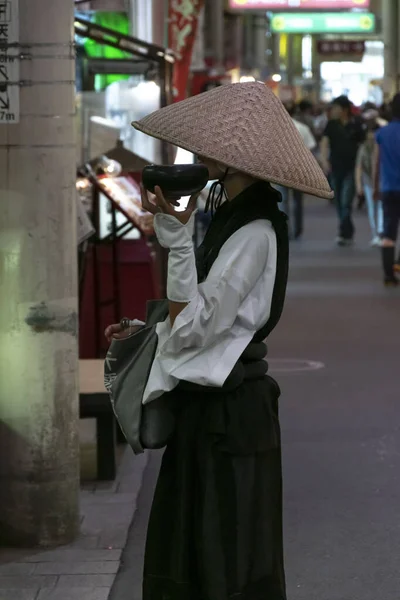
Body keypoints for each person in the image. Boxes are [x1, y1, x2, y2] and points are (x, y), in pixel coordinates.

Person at [105, 82, 332, 600]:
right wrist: (148, 329)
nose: (199, 154)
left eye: (210, 147)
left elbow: (194, 328)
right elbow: (202, 320)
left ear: (234, 161)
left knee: (220, 557)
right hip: (217, 411)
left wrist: (178, 241)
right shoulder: (233, 218)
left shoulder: (254, 231)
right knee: (207, 551)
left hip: (228, 416)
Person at [321, 95, 366, 245]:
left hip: (352, 168)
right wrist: (325, 161)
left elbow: (364, 145)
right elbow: (325, 143)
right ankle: (348, 229)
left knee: (346, 200)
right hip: (335, 168)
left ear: (344, 109)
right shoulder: (331, 125)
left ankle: (343, 232)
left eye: (336, 108)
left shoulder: (356, 124)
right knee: (339, 201)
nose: (333, 110)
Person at [279, 103, 317, 239]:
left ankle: (285, 229)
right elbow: (311, 148)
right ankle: (298, 229)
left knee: (282, 201)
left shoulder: (275, 130)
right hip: (299, 171)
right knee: (297, 201)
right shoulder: (302, 128)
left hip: (280, 170)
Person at [373, 93, 400, 286]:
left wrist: (375, 186)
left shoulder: (382, 133)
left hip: (389, 188)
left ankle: (388, 276)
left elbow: (377, 162)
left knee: (389, 232)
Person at [355, 115, 383, 246]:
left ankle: (380, 232)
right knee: (373, 208)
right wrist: (359, 185)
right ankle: (376, 233)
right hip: (368, 181)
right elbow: (359, 167)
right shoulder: (363, 148)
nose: (371, 135)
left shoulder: (382, 145)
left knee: (381, 207)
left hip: (381, 180)